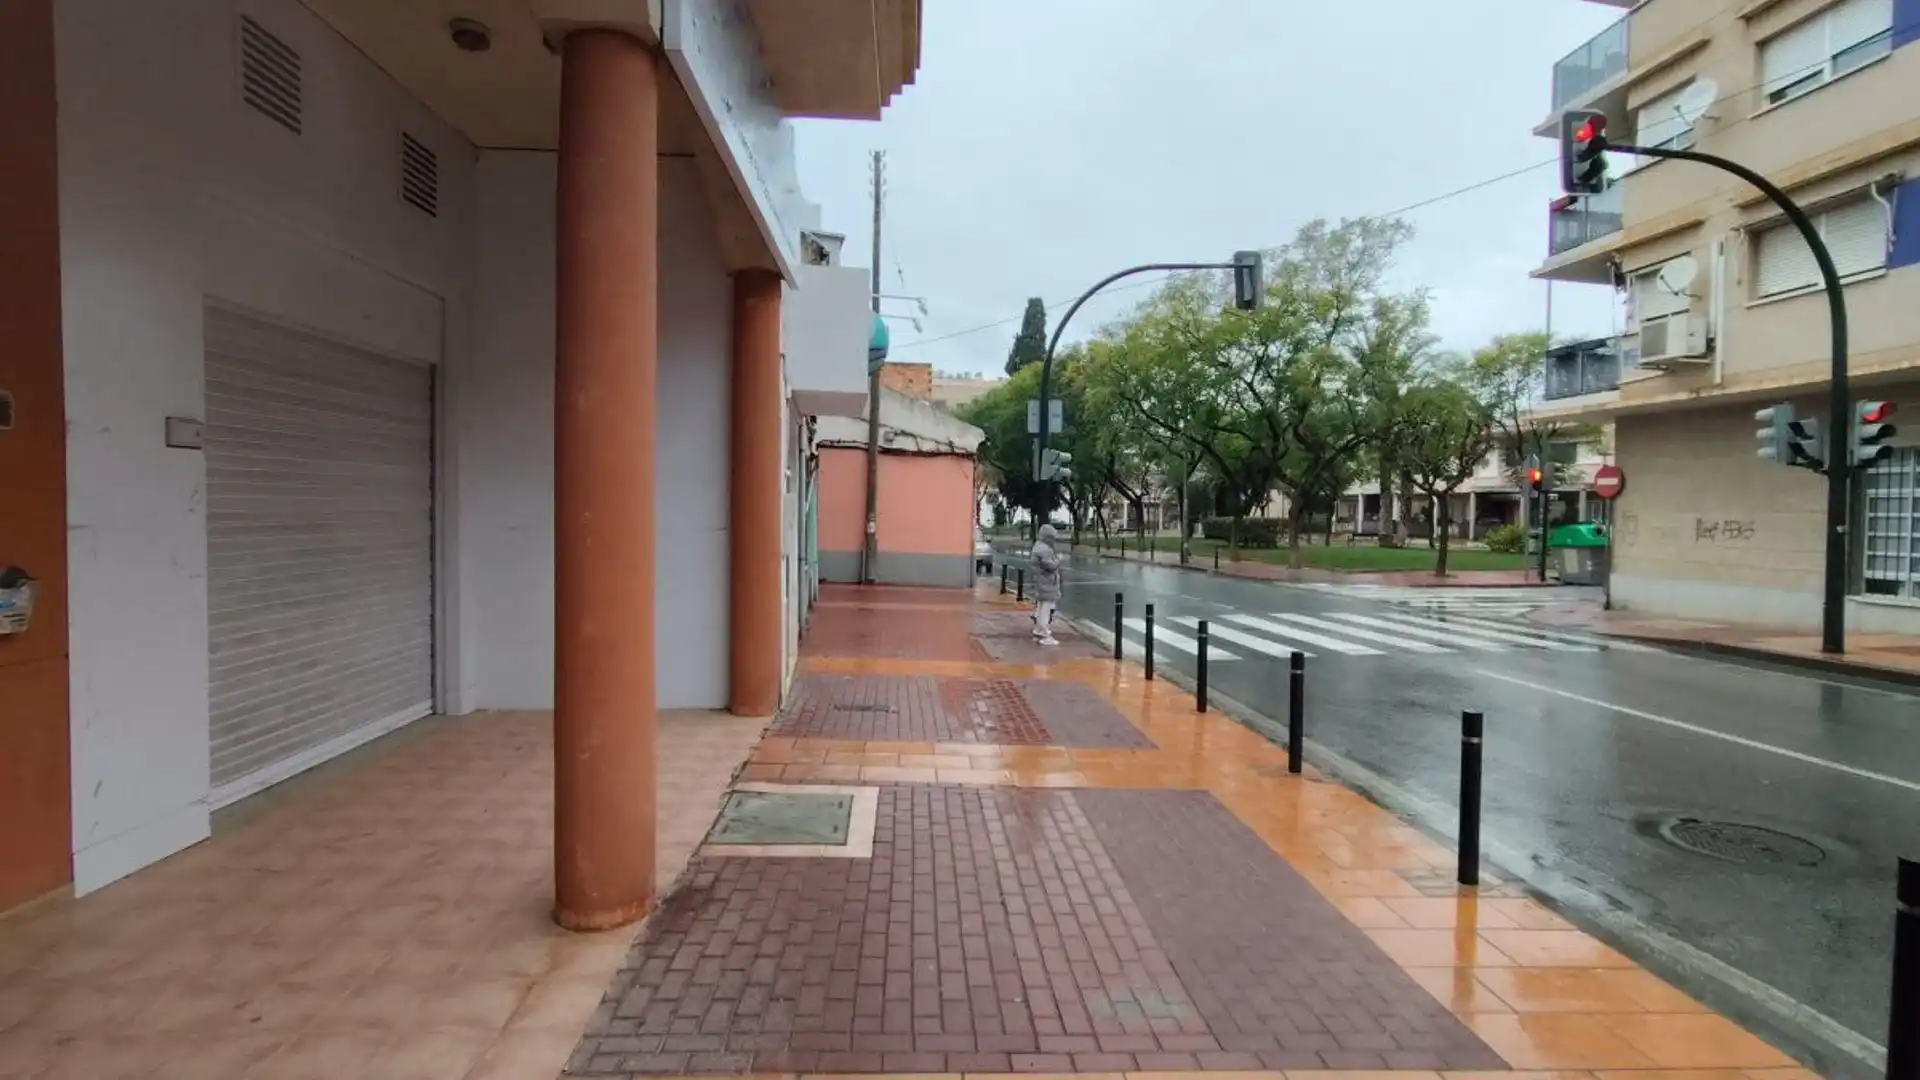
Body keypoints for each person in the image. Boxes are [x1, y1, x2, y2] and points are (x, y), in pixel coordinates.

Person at [1030, 524, 1062, 646]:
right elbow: (1051, 566)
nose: (1053, 541)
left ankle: (1039, 629)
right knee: (1046, 608)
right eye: (1052, 538)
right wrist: (1058, 561)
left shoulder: (1039, 547)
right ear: (1047, 537)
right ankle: (1044, 633)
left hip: (1041, 581)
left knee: (1041, 606)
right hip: (1046, 582)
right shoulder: (1044, 550)